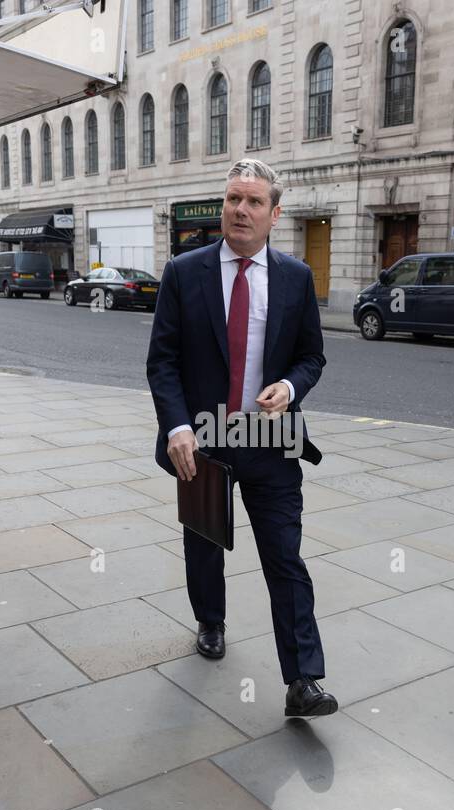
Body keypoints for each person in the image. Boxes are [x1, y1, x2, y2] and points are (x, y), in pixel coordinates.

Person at [146, 158, 336, 718]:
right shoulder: (185, 272)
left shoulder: (296, 278)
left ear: (275, 214)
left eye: (254, 202)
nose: (240, 210)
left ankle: (303, 679)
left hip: (270, 441)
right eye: (233, 198)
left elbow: (312, 356)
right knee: (203, 543)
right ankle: (210, 618)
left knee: (285, 557)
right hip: (202, 439)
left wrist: (290, 386)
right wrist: (176, 426)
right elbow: (162, 362)